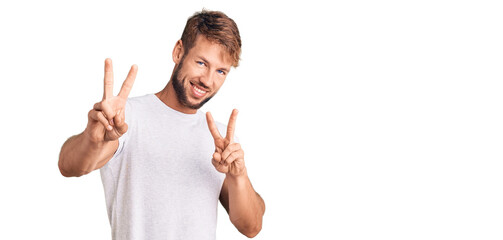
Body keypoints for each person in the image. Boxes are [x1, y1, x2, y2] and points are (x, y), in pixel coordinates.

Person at [58, 10, 265, 240]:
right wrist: (92, 138)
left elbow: (251, 227)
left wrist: (239, 175)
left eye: (220, 71)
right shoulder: (126, 118)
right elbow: (70, 166)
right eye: (201, 62)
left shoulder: (219, 140)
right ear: (178, 51)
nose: (207, 80)